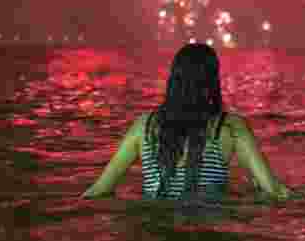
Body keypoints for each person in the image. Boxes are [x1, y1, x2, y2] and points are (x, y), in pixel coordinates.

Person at [81, 43, 290, 199]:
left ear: (173, 79)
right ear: (212, 81)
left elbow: (99, 190)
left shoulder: (145, 127)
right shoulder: (229, 127)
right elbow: (273, 191)